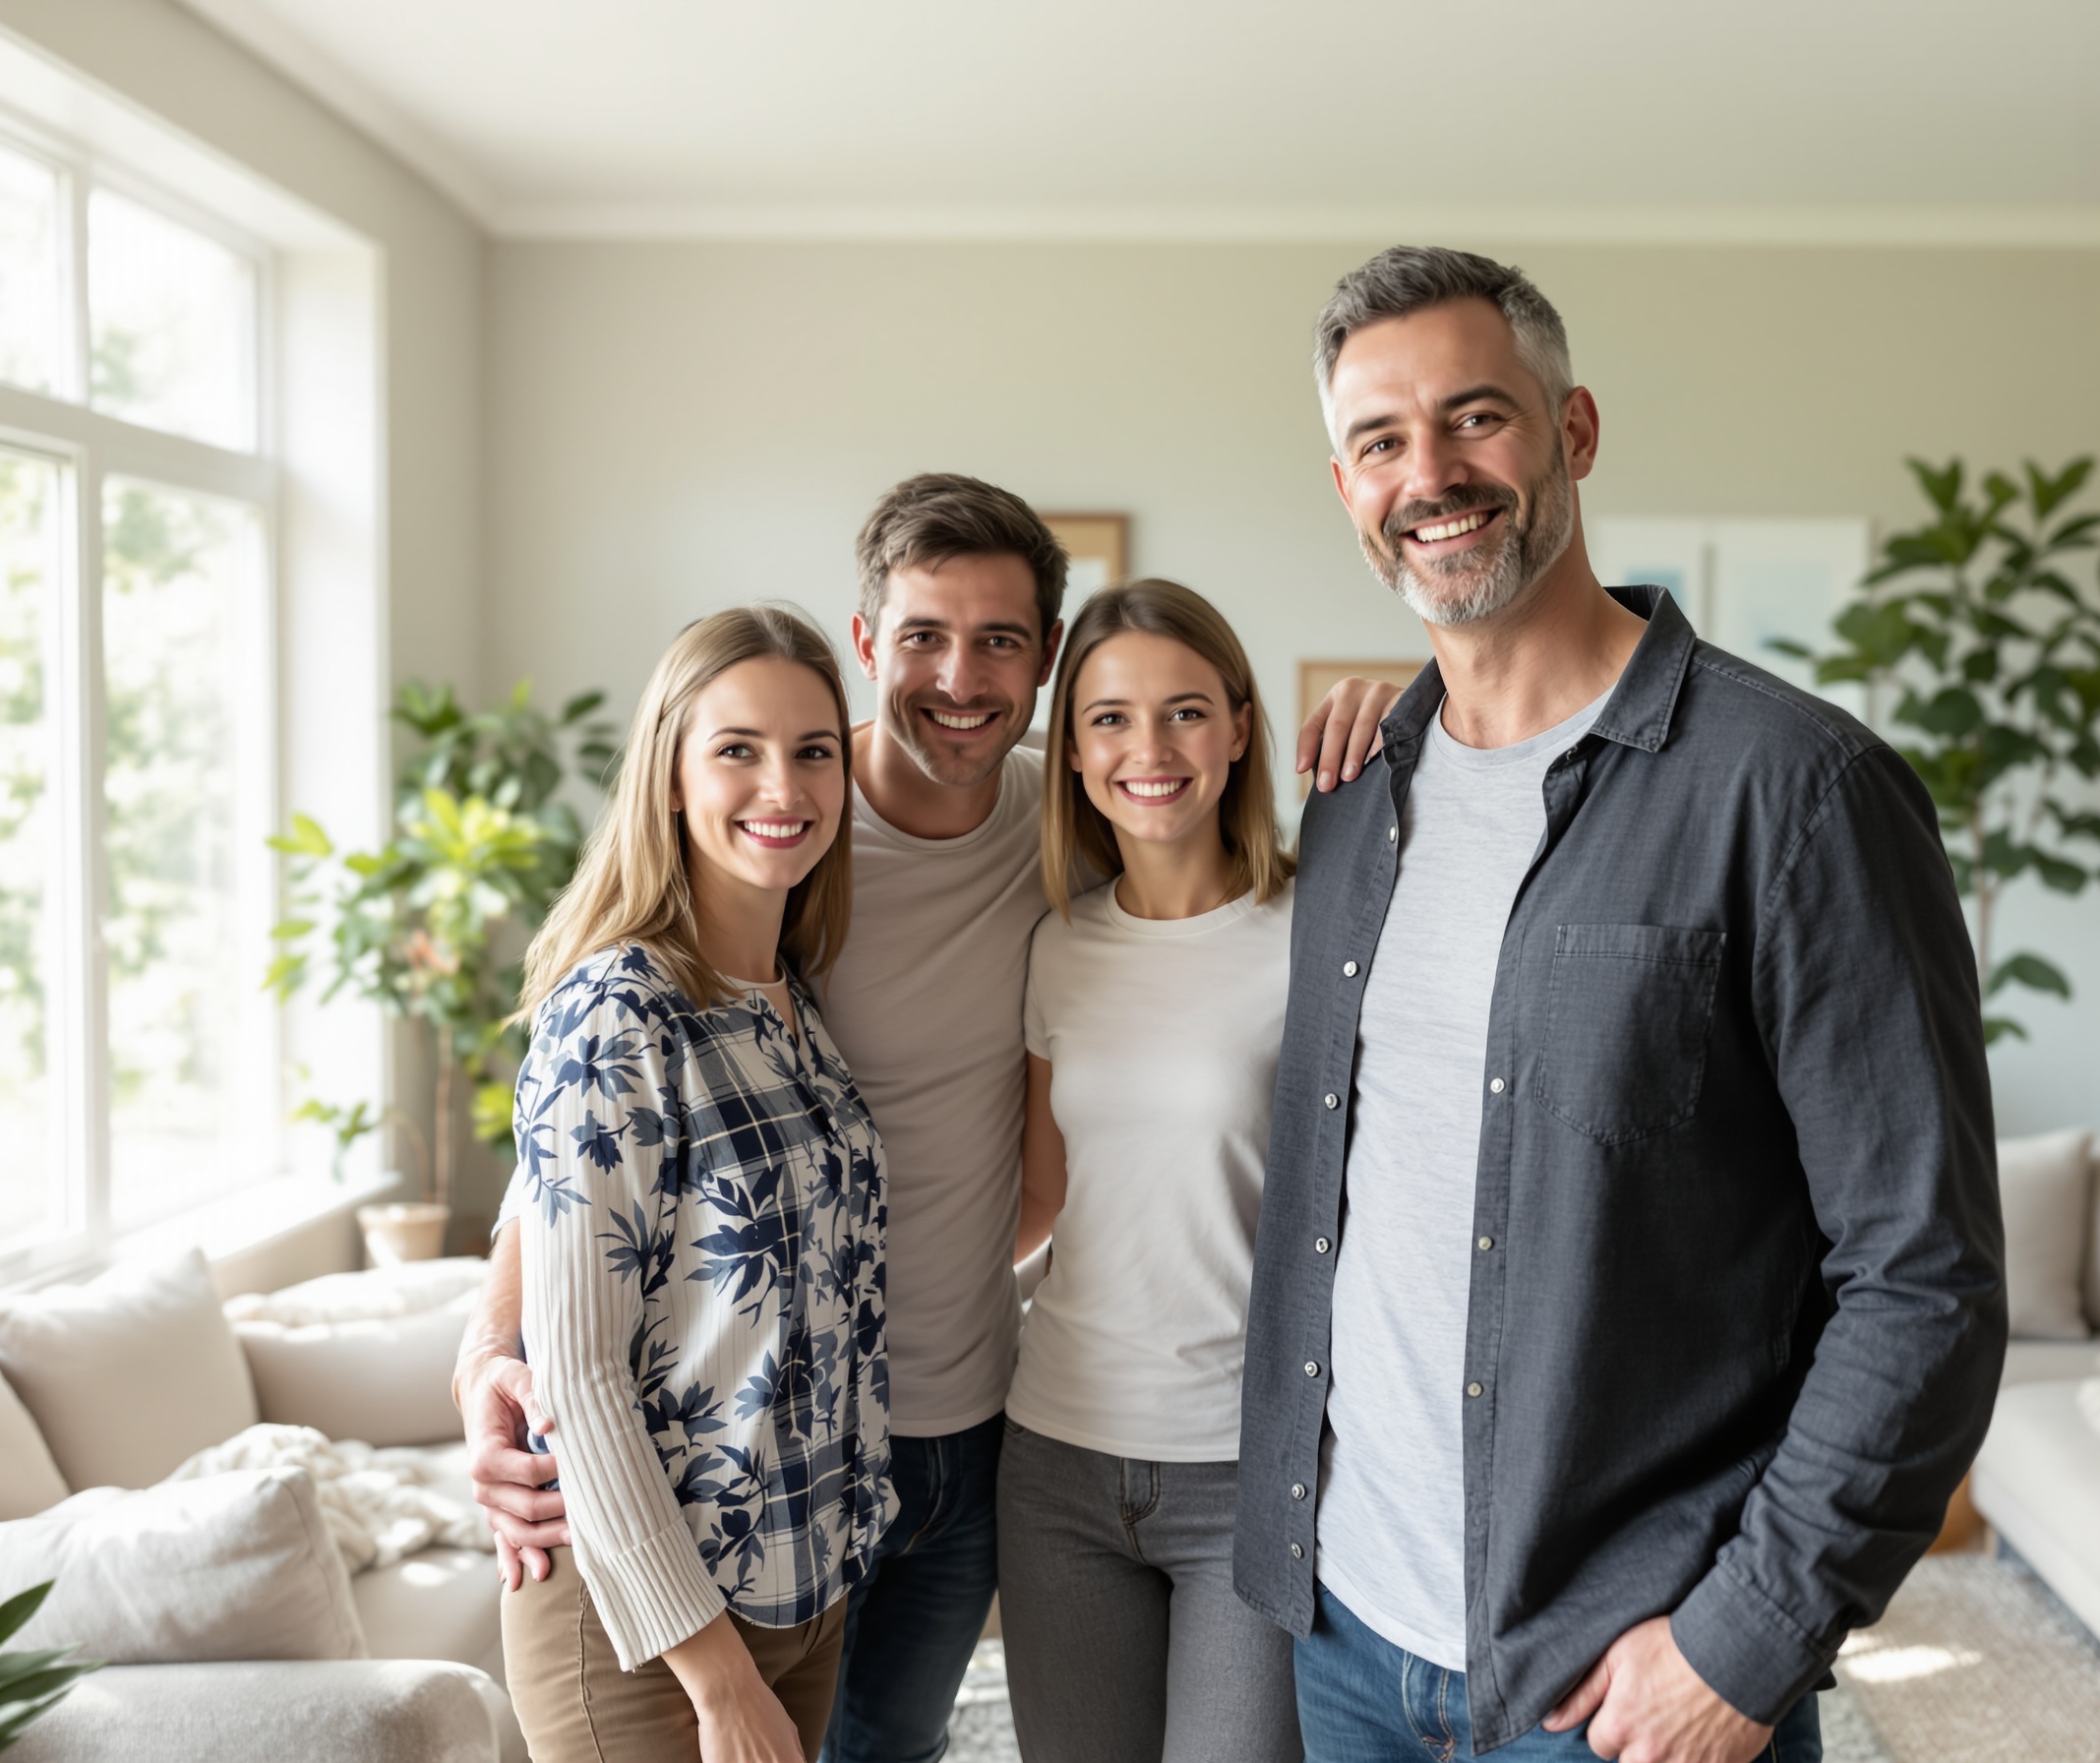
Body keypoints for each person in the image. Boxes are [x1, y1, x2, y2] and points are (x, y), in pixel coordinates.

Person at [458, 473, 1404, 1763]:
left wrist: (1398, 722)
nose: (960, 677)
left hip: (977, 1429)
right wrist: (491, 1348)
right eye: (923, 637)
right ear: (867, 642)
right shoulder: (779, 842)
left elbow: (1100, 1097)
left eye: (1000, 640)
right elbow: (585, 1149)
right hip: (764, 1444)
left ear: (1045, 660)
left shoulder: (1076, 832)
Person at [1234, 245, 2007, 1763]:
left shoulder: (1797, 793)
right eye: (1382, 442)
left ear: (1573, 432)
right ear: (1345, 488)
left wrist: (1747, 1643)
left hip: (1624, 1676)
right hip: (1346, 1636)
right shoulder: (1354, 794)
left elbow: (1924, 1278)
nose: (1431, 475)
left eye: (1476, 417)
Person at [500, 603, 890, 1763]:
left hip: (801, 1587)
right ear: (670, 775)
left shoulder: (793, 1001)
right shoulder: (617, 1012)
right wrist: (716, 1677)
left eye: (813, 750)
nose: (784, 785)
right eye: (737, 749)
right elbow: (579, 1373)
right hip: (647, 1627)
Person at [997, 580, 1304, 1763]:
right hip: (1058, 1459)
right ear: (1071, 752)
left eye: (1184, 712)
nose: (1150, 749)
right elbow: (1041, 1197)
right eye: (1110, 718)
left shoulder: (1316, 933)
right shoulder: (1058, 944)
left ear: (1237, 729)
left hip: (1250, 1470)